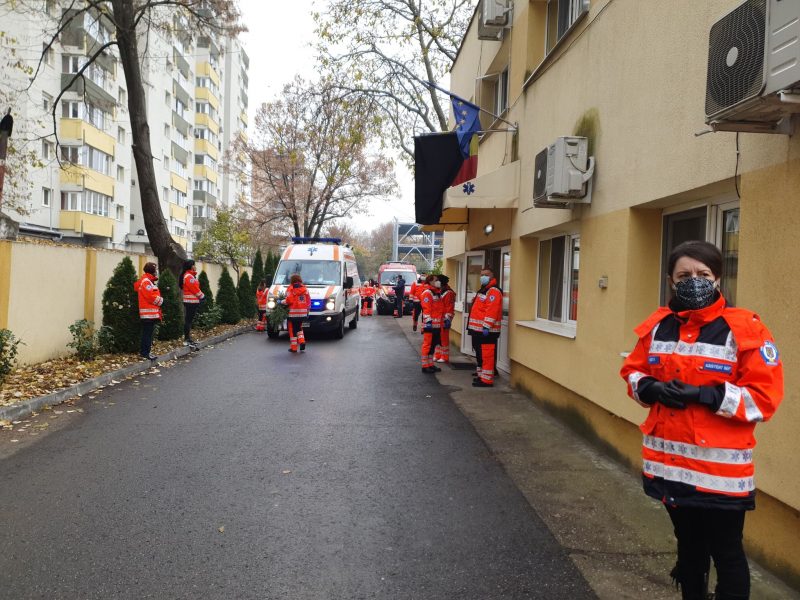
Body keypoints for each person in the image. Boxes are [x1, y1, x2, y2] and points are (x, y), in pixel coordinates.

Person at [620, 241, 783, 600]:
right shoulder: (658, 326)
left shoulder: (746, 329)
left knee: (727, 553)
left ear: (718, 278)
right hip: (670, 468)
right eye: (684, 275)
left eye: (703, 274)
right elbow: (632, 372)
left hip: (720, 475)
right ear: (670, 281)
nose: (694, 280)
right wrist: (651, 388)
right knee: (689, 548)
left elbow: (764, 399)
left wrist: (705, 395)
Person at [467, 266, 502, 387]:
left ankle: (487, 380)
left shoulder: (494, 291)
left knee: (486, 355)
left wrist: (487, 326)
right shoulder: (484, 289)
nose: (483, 277)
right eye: (482, 275)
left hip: (487, 330)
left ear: (492, 276)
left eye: (486, 275)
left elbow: (492, 310)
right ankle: (481, 375)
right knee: (479, 353)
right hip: (478, 329)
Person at [134, 262, 163, 361]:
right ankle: (145, 353)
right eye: (156, 269)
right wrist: (161, 301)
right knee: (147, 334)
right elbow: (150, 296)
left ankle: (146, 352)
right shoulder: (146, 282)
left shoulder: (148, 281)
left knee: (148, 334)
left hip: (149, 314)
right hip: (148, 314)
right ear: (152, 270)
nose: (157, 271)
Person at [419, 274, 443, 373]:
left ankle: (430, 364)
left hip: (436, 325)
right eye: (436, 280)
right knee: (427, 345)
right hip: (429, 325)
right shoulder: (427, 293)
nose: (438, 282)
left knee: (433, 345)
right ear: (430, 282)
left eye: (438, 280)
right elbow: (426, 309)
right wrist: (428, 321)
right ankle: (425, 366)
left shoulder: (436, 293)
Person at [179, 259, 205, 347]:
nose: (195, 266)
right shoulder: (189, 276)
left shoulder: (189, 275)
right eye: (194, 265)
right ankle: (186, 339)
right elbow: (194, 289)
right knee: (188, 320)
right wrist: (202, 296)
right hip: (191, 302)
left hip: (191, 301)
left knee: (189, 320)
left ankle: (188, 339)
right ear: (190, 266)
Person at [282, 273, 311, 352]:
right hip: (302, 313)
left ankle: (294, 347)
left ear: (292, 280)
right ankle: (302, 341)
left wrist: (281, 301)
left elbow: (289, 300)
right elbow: (309, 301)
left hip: (293, 313)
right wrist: (307, 310)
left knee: (292, 329)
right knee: (299, 327)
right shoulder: (305, 289)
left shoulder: (290, 288)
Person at [434, 275, 455, 363]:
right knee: (437, 338)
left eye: (437, 280)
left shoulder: (448, 293)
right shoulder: (440, 291)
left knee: (444, 338)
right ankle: (437, 355)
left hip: (444, 319)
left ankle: (444, 356)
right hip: (438, 318)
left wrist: (447, 319)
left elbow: (449, 307)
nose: (435, 282)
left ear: (441, 282)